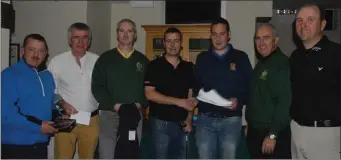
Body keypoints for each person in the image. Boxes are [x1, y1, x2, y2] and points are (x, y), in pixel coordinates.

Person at [192, 17, 253, 159]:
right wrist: (194, 98)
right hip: (205, 120)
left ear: (229, 35)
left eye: (222, 34)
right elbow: (196, 87)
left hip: (231, 121)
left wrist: (238, 100)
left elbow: (250, 87)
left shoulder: (241, 57)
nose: (218, 38)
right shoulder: (202, 58)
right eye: (214, 34)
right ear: (210, 36)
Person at [91, 18, 149, 159]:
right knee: (107, 153)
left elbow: (148, 88)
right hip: (110, 113)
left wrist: (140, 103)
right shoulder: (105, 59)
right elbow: (97, 87)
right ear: (117, 34)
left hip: (134, 114)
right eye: (122, 30)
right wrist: (115, 105)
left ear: (134, 35)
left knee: (132, 151)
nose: (125, 34)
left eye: (129, 31)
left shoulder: (142, 60)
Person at [290, 3, 340, 159]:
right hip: (297, 130)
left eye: (310, 20)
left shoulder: (336, 54)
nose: (303, 25)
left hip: (325, 135)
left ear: (323, 24)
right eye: (299, 20)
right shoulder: (295, 57)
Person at [1, 34, 60, 159]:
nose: (36, 54)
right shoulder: (9, 75)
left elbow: (49, 104)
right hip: (16, 145)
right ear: (23, 51)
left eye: (41, 51)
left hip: (41, 144)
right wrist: (38, 127)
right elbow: (5, 114)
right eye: (31, 49)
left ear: (46, 55)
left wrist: (60, 116)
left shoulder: (47, 76)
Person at [48, 22, 99, 159]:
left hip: (91, 119)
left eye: (85, 38)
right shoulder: (57, 61)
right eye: (76, 37)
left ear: (89, 41)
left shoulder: (97, 61)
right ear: (70, 40)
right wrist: (63, 104)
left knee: (88, 157)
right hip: (65, 119)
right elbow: (49, 92)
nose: (81, 42)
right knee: (63, 157)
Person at [144, 27, 196, 159]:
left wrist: (189, 118)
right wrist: (178, 102)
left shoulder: (189, 67)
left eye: (176, 41)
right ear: (164, 43)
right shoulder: (153, 66)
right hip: (160, 124)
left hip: (182, 124)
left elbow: (190, 95)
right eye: (169, 41)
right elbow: (149, 94)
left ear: (181, 43)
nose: (172, 45)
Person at [245, 24, 291, 159]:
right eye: (257, 38)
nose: (261, 43)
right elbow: (257, 97)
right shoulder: (262, 64)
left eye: (266, 38)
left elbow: (285, 103)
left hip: (271, 134)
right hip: (256, 131)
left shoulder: (281, 64)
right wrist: (250, 124)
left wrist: (273, 134)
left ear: (275, 40)